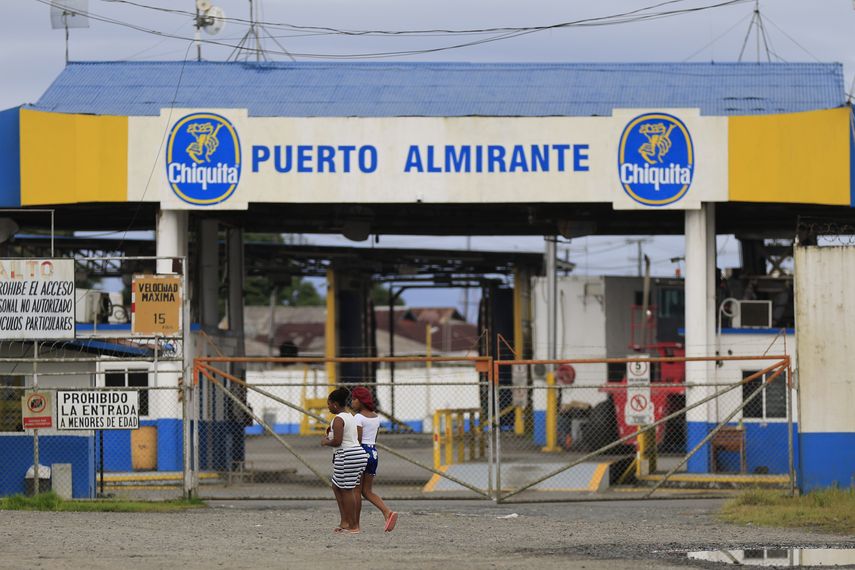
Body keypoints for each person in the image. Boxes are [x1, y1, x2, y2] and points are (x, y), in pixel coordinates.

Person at [350, 386, 398, 532]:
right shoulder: (376, 417)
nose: (352, 402)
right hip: (373, 452)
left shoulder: (358, 418)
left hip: (361, 451)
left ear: (360, 401)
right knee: (367, 491)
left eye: (354, 399)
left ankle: (355, 525)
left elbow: (357, 440)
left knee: (356, 490)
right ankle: (387, 512)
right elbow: (374, 438)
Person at [321, 387, 368, 534]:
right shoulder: (351, 416)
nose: (328, 407)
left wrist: (325, 442)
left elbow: (337, 441)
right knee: (336, 486)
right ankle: (345, 522)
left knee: (347, 490)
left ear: (335, 404)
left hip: (346, 455)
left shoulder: (338, 419)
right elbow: (356, 437)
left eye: (329, 404)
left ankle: (353, 525)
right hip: (358, 454)